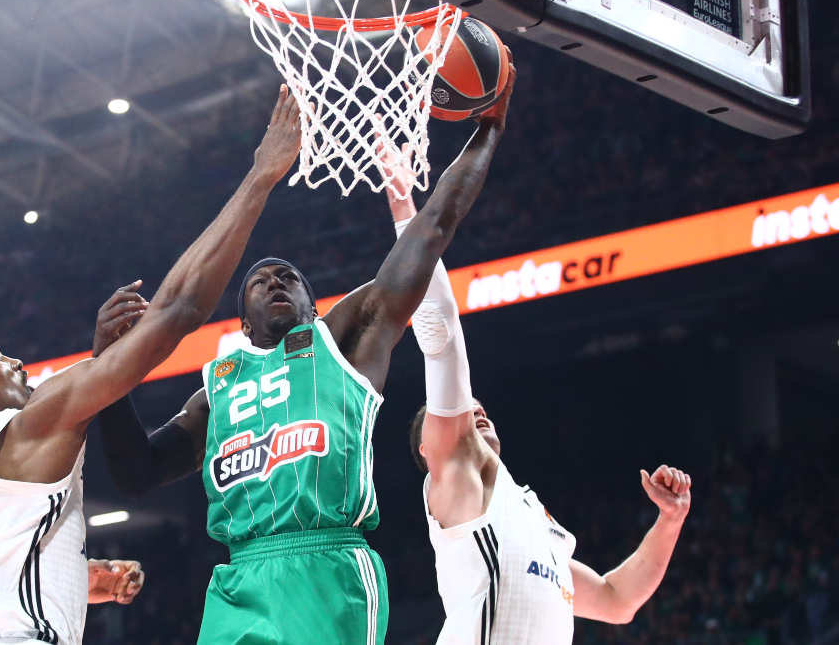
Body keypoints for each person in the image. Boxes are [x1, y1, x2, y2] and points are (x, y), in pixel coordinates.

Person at [90, 59, 516, 645]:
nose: (275, 280)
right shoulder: (218, 387)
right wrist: (107, 370)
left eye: (289, 277)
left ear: (314, 309)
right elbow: (135, 472)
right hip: (238, 580)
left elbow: (434, 227)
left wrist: (489, 129)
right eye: (259, 280)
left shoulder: (344, 342)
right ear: (243, 321)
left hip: (326, 568)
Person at [0, 85, 305, 645]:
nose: (15, 361)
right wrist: (261, 177)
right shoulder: (31, 424)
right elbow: (179, 311)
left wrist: (73, 580)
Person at [383, 172, 692, 644]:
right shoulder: (458, 475)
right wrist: (405, 209)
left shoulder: (534, 520)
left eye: (479, 407)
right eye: (462, 410)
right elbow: (442, 336)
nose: (475, 411)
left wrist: (670, 521)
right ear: (431, 447)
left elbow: (617, 600)